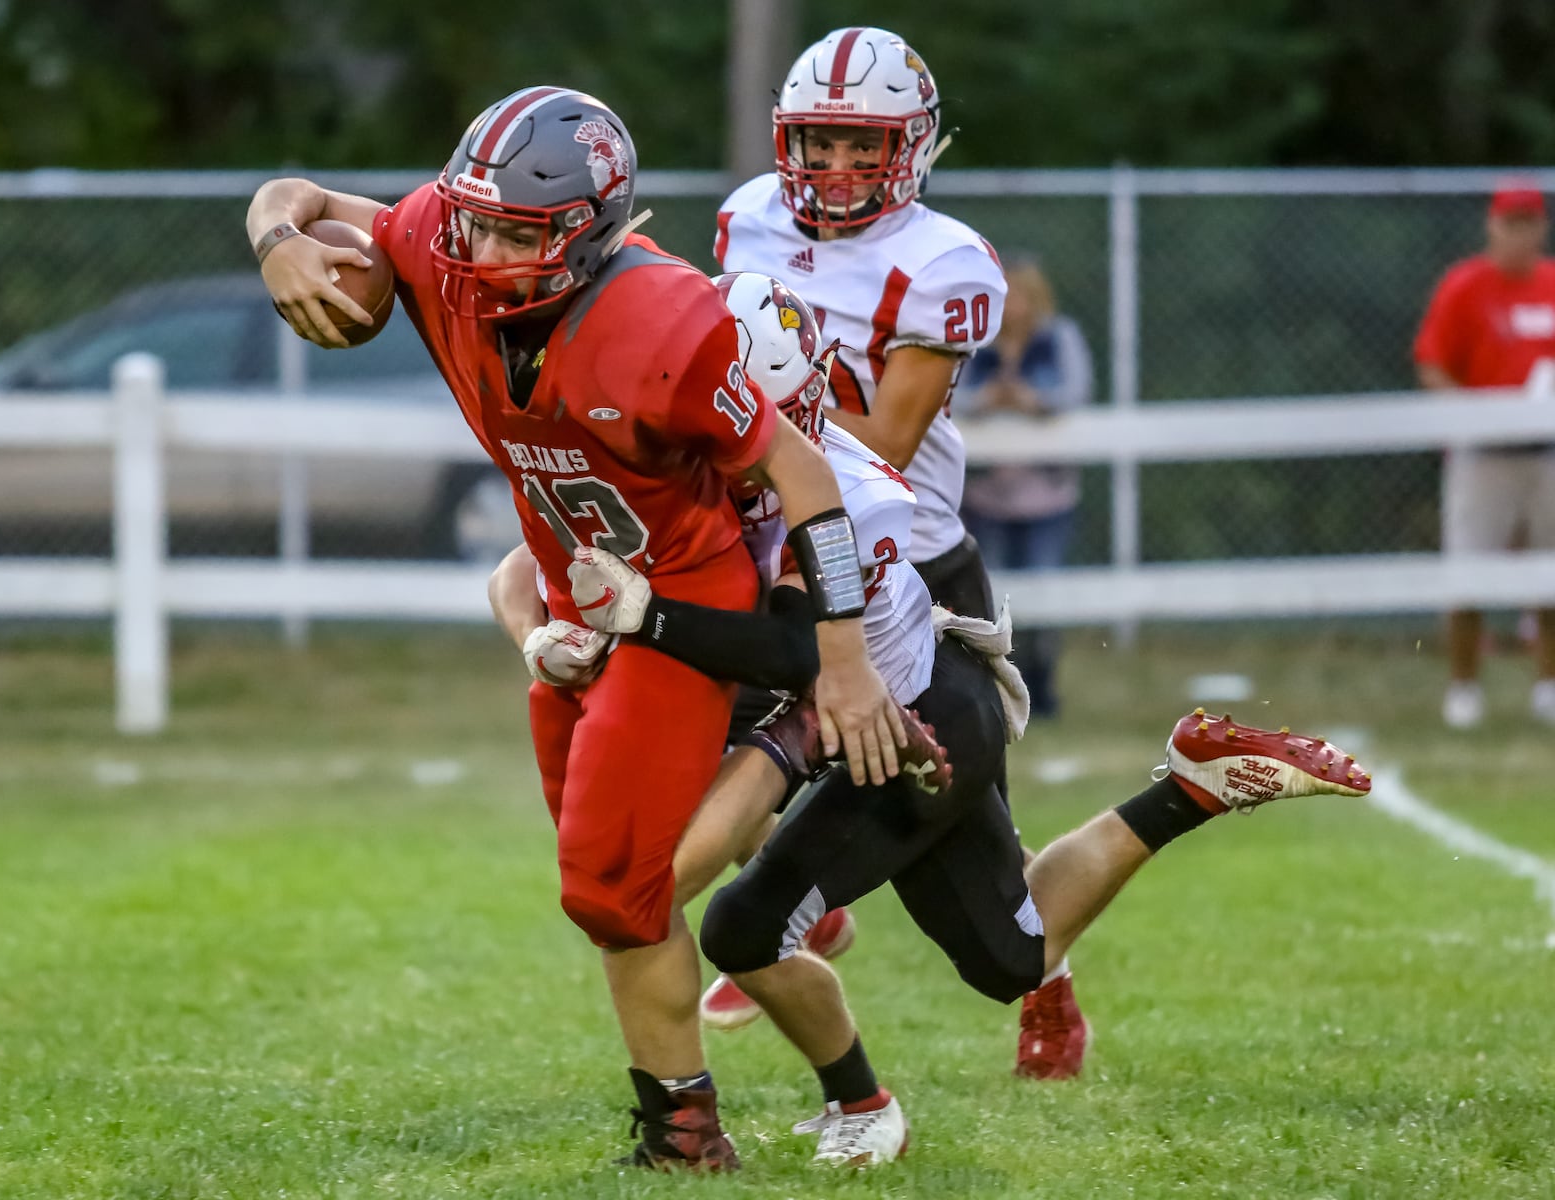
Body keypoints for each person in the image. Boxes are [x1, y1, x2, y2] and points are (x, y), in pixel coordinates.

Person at [565, 272, 1376, 1168]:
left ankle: (862, 1106)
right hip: (883, 710)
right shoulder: (713, 466)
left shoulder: (840, 491)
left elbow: (798, 657)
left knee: (742, 930)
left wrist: (646, 620)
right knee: (1011, 960)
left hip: (914, 726)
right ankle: (1191, 785)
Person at [246, 86, 911, 1173]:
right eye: (476, 219)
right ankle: (696, 1125)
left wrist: (840, 659)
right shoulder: (444, 242)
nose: (482, 247)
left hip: (678, 610)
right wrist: (277, 239)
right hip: (575, 601)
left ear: (590, 235)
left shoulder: (665, 323)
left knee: (614, 887)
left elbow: (803, 474)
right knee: (620, 900)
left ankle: (687, 1126)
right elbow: (302, 194)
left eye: (518, 230)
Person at [712, 23, 1091, 1081]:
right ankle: (799, 907)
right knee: (711, 735)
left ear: (911, 148)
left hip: (905, 556)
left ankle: (1043, 973)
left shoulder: (943, 260)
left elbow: (879, 447)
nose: (834, 168)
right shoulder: (744, 217)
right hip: (778, 546)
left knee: (965, 816)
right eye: (819, 142)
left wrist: (748, 437)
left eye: (861, 146)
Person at [1414, 183, 1555, 729]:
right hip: (1484, 452)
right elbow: (1432, 362)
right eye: (1510, 222)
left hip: (1545, 451)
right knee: (1468, 575)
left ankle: (1547, 686)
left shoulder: (1550, 284)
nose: (1520, 233)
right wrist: (1469, 414)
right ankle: (1464, 689)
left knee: (1548, 578)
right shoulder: (1465, 287)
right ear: (1492, 226)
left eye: (1530, 222)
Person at [953, 257, 1094, 718]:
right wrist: (988, 400)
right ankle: (997, 685)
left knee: (1044, 592)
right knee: (988, 596)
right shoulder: (975, 342)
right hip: (986, 493)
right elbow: (950, 396)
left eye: (1021, 295)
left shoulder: (1058, 338)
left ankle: (1041, 687)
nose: (1012, 305)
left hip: (1045, 492)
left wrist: (1034, 401)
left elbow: (1075, 391)